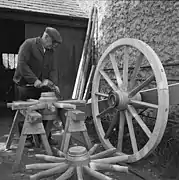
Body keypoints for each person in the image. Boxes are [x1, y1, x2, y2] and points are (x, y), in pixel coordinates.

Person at [13, 27, 62, 147]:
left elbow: (53, 69)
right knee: (25, 110)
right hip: (24, 84)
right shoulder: (28, 44)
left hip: (39, 86)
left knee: (46, 107)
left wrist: (53, 84)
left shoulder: (51, 52)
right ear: (46, 37)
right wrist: (34, 80)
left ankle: (45, 135)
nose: (54, 47)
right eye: (53, 43)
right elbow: (22, 65)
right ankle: (28, 138)